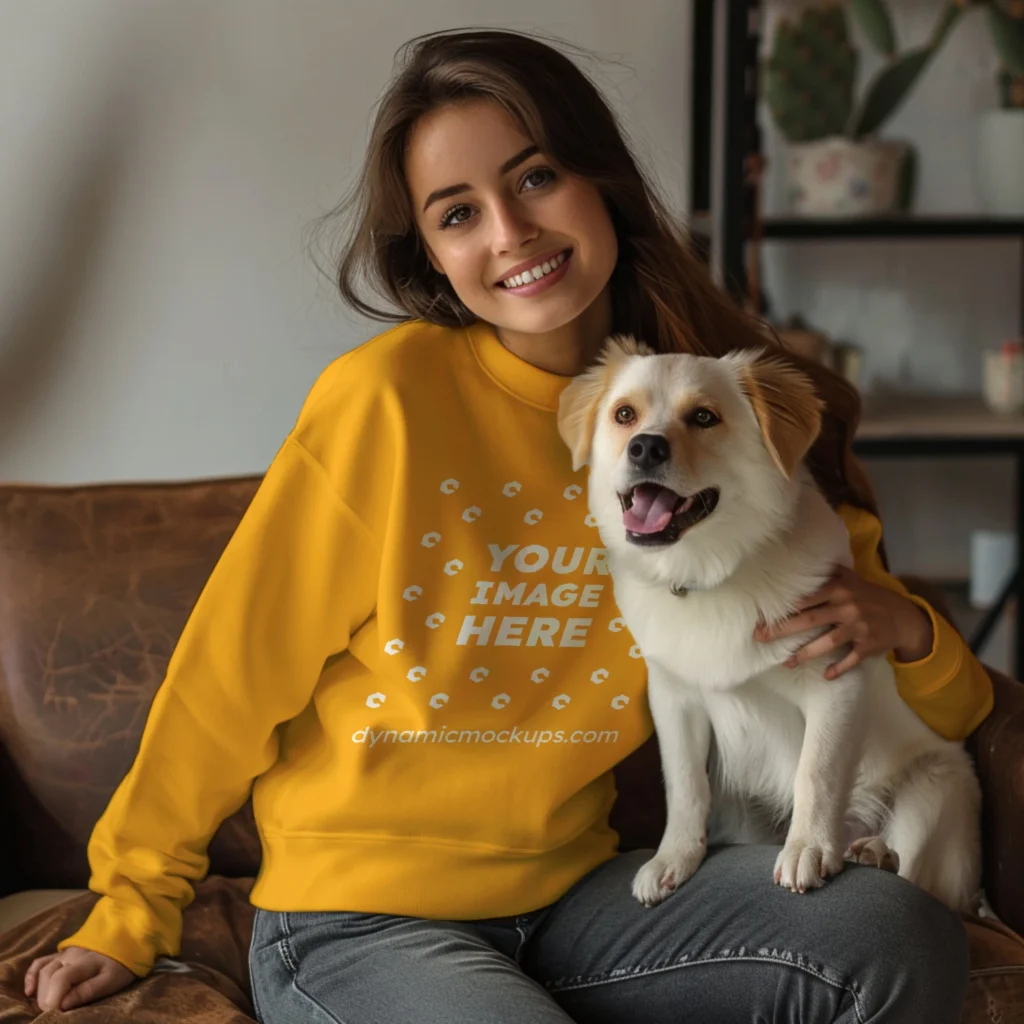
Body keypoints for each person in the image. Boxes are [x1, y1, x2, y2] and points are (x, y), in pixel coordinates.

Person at [24, 27, 992, 1023]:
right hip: (358, 919)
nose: (509, 233)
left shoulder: (715, 415)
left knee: (886, 935)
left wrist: (909, 632)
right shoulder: (386, 403)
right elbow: (227, 677)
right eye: (458, 214)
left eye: (534, 179)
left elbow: (932, 699)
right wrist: (129, 906)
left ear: (600, 179)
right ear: (436, 259)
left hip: (579, 900)